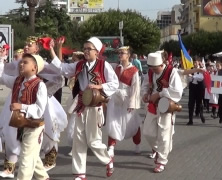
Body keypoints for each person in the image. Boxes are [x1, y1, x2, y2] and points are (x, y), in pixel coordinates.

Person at [50, 37, 119, 180]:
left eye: (89, 49)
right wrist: (52, 49)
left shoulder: (103, 65)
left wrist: (100, 86)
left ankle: (107, 159)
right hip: (81, 104)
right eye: (85, 48)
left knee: (93, 141)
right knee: (78, 140)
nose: (86, 51)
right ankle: (80, 173)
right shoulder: (79, 65)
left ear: (97, 52)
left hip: (95, 106)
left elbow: (115, 83)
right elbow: (62, 68)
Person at [0, 54, 49, 180]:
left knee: (26, 161)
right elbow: (1, 77)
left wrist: (21, 107)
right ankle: (44, 178)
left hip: (34, 127)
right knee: (30, 156)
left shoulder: (40, 85)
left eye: (25, 62)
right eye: (21, 62)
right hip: (21, 125)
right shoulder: (18, 80)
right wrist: (1, 60)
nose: (21, 64)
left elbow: (39, 110)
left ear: (34, 67)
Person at [141, 52, 183, 173]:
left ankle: (161, 161)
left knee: (164, 134)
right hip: (153, 106)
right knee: (148, 132)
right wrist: (145, 94)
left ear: (162, 63)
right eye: (152, 68)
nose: (153, 70)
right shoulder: (150, 72)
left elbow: (177, 91)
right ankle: (157, 150)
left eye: (156, 68)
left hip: (167, 106)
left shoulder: (172, 72)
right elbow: (145, 85)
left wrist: (159, 94)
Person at [106, 46, 141, 157]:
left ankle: (137, 144)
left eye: (123, 53)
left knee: (132, 124)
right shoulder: (116, 67)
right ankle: (111, 146)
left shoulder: (134, 70)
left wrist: (132, 103)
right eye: (119, 53)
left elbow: (136, 89)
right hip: (115, 99)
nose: (120, 54)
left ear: (128, 55)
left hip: (126, 99)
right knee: (113, 122)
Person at [186, 57, 205, 125]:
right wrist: (189, 77)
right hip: (192, 88)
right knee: (191, 104)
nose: (195, 64)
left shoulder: (201, 70)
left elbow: (201, 78)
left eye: (196, 62)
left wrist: (193, 76)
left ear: (199, 62)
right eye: (194, 62)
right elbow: (189, 80)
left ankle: (201, 114)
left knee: (199, 103)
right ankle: (190, 120)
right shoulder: (191, 69)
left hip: (199, 88)